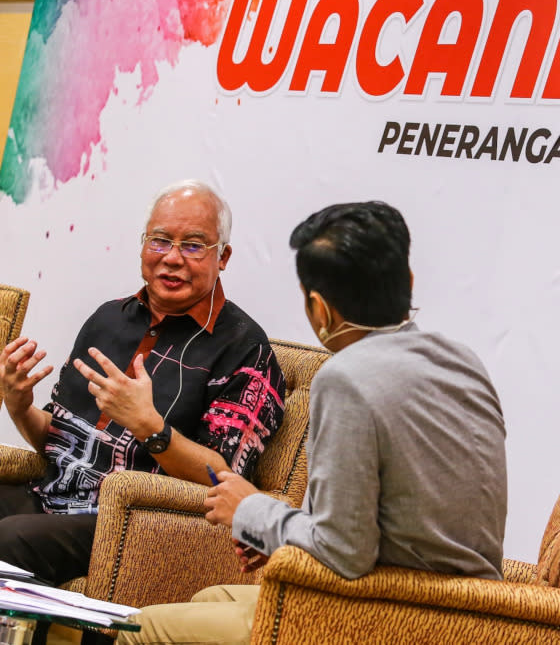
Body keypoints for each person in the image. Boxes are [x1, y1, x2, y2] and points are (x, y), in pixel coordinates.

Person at [119, 201, 507, 644]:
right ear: (409, 283)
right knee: (215, 597)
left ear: (319, 310)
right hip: (469, 617)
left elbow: (342, 552)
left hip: (385, 619)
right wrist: (269, 529)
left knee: (137, 630)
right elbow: (384, 528)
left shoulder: (347, 378)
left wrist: (249, 510)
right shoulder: (464, 363)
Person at [0, 180, 286, 593]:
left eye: (193, 245)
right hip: (51, 496)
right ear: (142, 246)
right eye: (160, 241)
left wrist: (151, 427)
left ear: (222, 257)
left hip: (129, 524)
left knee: (8, 541)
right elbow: (58, 441)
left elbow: (225, 478)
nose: (172, 258)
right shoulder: (108, 319)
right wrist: (19, 404)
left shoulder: (244, 350)